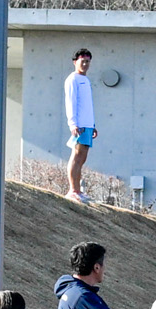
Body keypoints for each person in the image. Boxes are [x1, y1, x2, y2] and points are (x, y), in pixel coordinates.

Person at [65, 49, 96, 204]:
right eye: (82, 61)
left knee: (82, 158)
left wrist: (93, 125)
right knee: (76, 156)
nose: (85, 64)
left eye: (87, 61)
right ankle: (73, 190)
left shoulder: (86, 80)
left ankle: (78, 190)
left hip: (87, 124)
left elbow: (87, 105)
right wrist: (73, 124)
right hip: (79, 125)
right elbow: (70, 103)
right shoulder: (72, 79)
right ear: (75, 62)